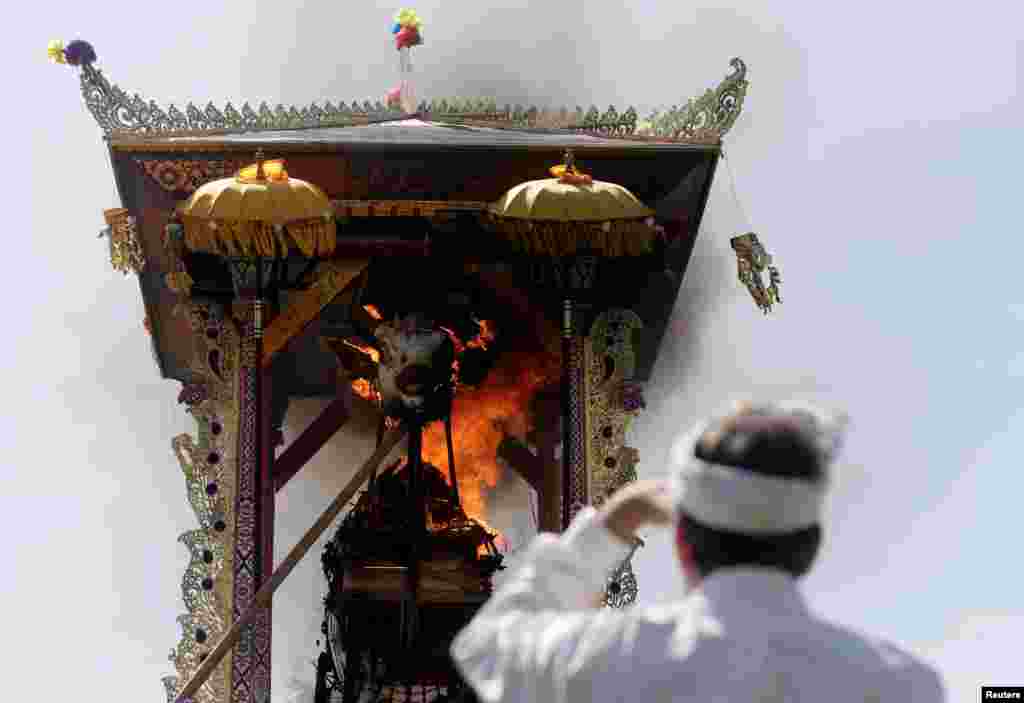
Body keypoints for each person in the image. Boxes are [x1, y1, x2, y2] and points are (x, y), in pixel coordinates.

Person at [451, 401, 946, 702]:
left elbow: (488, 643)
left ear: (682, 542)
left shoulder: (604, 658)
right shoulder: (900, 686)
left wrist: (615, 523)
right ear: (810, 546)